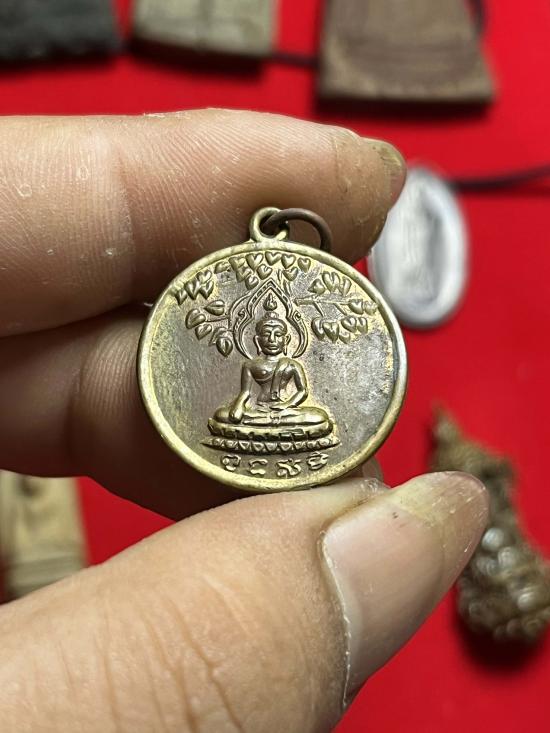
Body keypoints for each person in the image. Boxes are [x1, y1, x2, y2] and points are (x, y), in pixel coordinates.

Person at [0, 110, 487, 732]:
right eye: (267, 332)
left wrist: (286, 403)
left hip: (289, 421)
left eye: (281, 332)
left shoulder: (291, 362)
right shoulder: (256, 361)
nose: (274, 337)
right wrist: (253, 405)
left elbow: (301, 401)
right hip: (253, 419)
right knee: (236, 415)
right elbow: (244, 402)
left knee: (310, 415)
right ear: (256, 333)